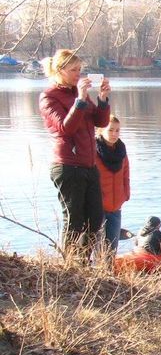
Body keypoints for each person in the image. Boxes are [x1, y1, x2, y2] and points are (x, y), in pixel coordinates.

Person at [38, 51, 111, 261]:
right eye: (73, 70)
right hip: (67, 166)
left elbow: (101, 122)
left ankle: (82, 261)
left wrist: (103, 99)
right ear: (60, 71)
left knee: (96, 219)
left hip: (88, 164)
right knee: (74, 220)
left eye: (79, 70)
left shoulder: (81, 94)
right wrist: (79, 100)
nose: (78, 74)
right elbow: (65, 128)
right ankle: (69, 263)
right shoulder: (49, 97)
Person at [96, 115, 131, 258]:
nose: (114, 134)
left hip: (116, 207)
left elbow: (126, 174)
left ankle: (108, 276)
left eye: (117, 130)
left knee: (112, 247)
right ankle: (98, 275)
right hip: (98, 207)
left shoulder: (121, 150)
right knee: (99, 247)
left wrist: (125, 194)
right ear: (100, 131)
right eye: (110, 130)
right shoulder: (94, 151)